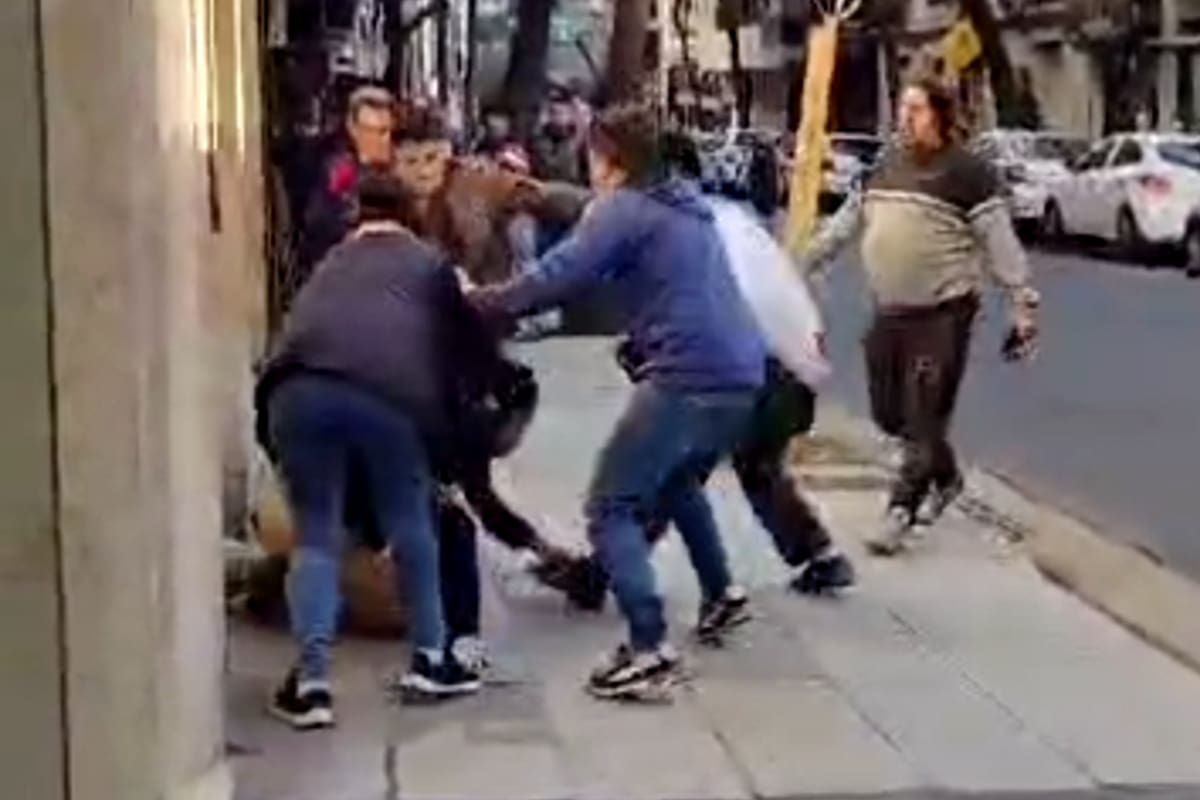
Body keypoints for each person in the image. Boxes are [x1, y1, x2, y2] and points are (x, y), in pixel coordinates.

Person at [471, 103, 767, 702]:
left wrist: (480, 301)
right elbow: (588, 215)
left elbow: (558, 275)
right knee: (677, 481)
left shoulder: (625, 208)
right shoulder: (682, 203)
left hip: (686, 374)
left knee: (612, 506)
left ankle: (649, 645)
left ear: (609, 158)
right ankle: (723, 595)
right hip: (742, 373)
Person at [552, 133, 856, 615]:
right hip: (791, 371)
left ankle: (608, 575)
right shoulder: (728, 217)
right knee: (752, 467)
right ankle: (819, 555)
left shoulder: (685, 228)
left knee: (667, 470)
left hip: (753, 369)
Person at [255, 170, 490, 728]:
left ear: (356, 220)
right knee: (412, 520)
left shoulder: (330, 265)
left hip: (296, 395)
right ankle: (431, 659)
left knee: (316, 536)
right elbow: (465, 351)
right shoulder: (430, 265)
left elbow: (289, 340)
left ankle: (311, 685)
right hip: (390, 398)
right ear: (409, 218)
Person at [803, 76, 1040, 556]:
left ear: (941, 115)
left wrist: (1023, 304)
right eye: (903, 108)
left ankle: (900, 511)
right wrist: (799, 262)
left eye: (916, 109)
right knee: (890, 414)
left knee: (923, 414)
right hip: (890, 310)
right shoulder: (884, 166)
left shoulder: (968, 174)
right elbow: (845, 224)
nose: (905, 118)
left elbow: (1001, 244)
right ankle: (945, 477)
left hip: (944, 312)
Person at [293, 86, 397, 301]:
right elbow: (323, 223)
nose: (379, 140)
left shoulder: (397, 168)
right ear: (352, 128)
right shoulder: (341, 170)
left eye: (385, 131)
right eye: (370, 130)